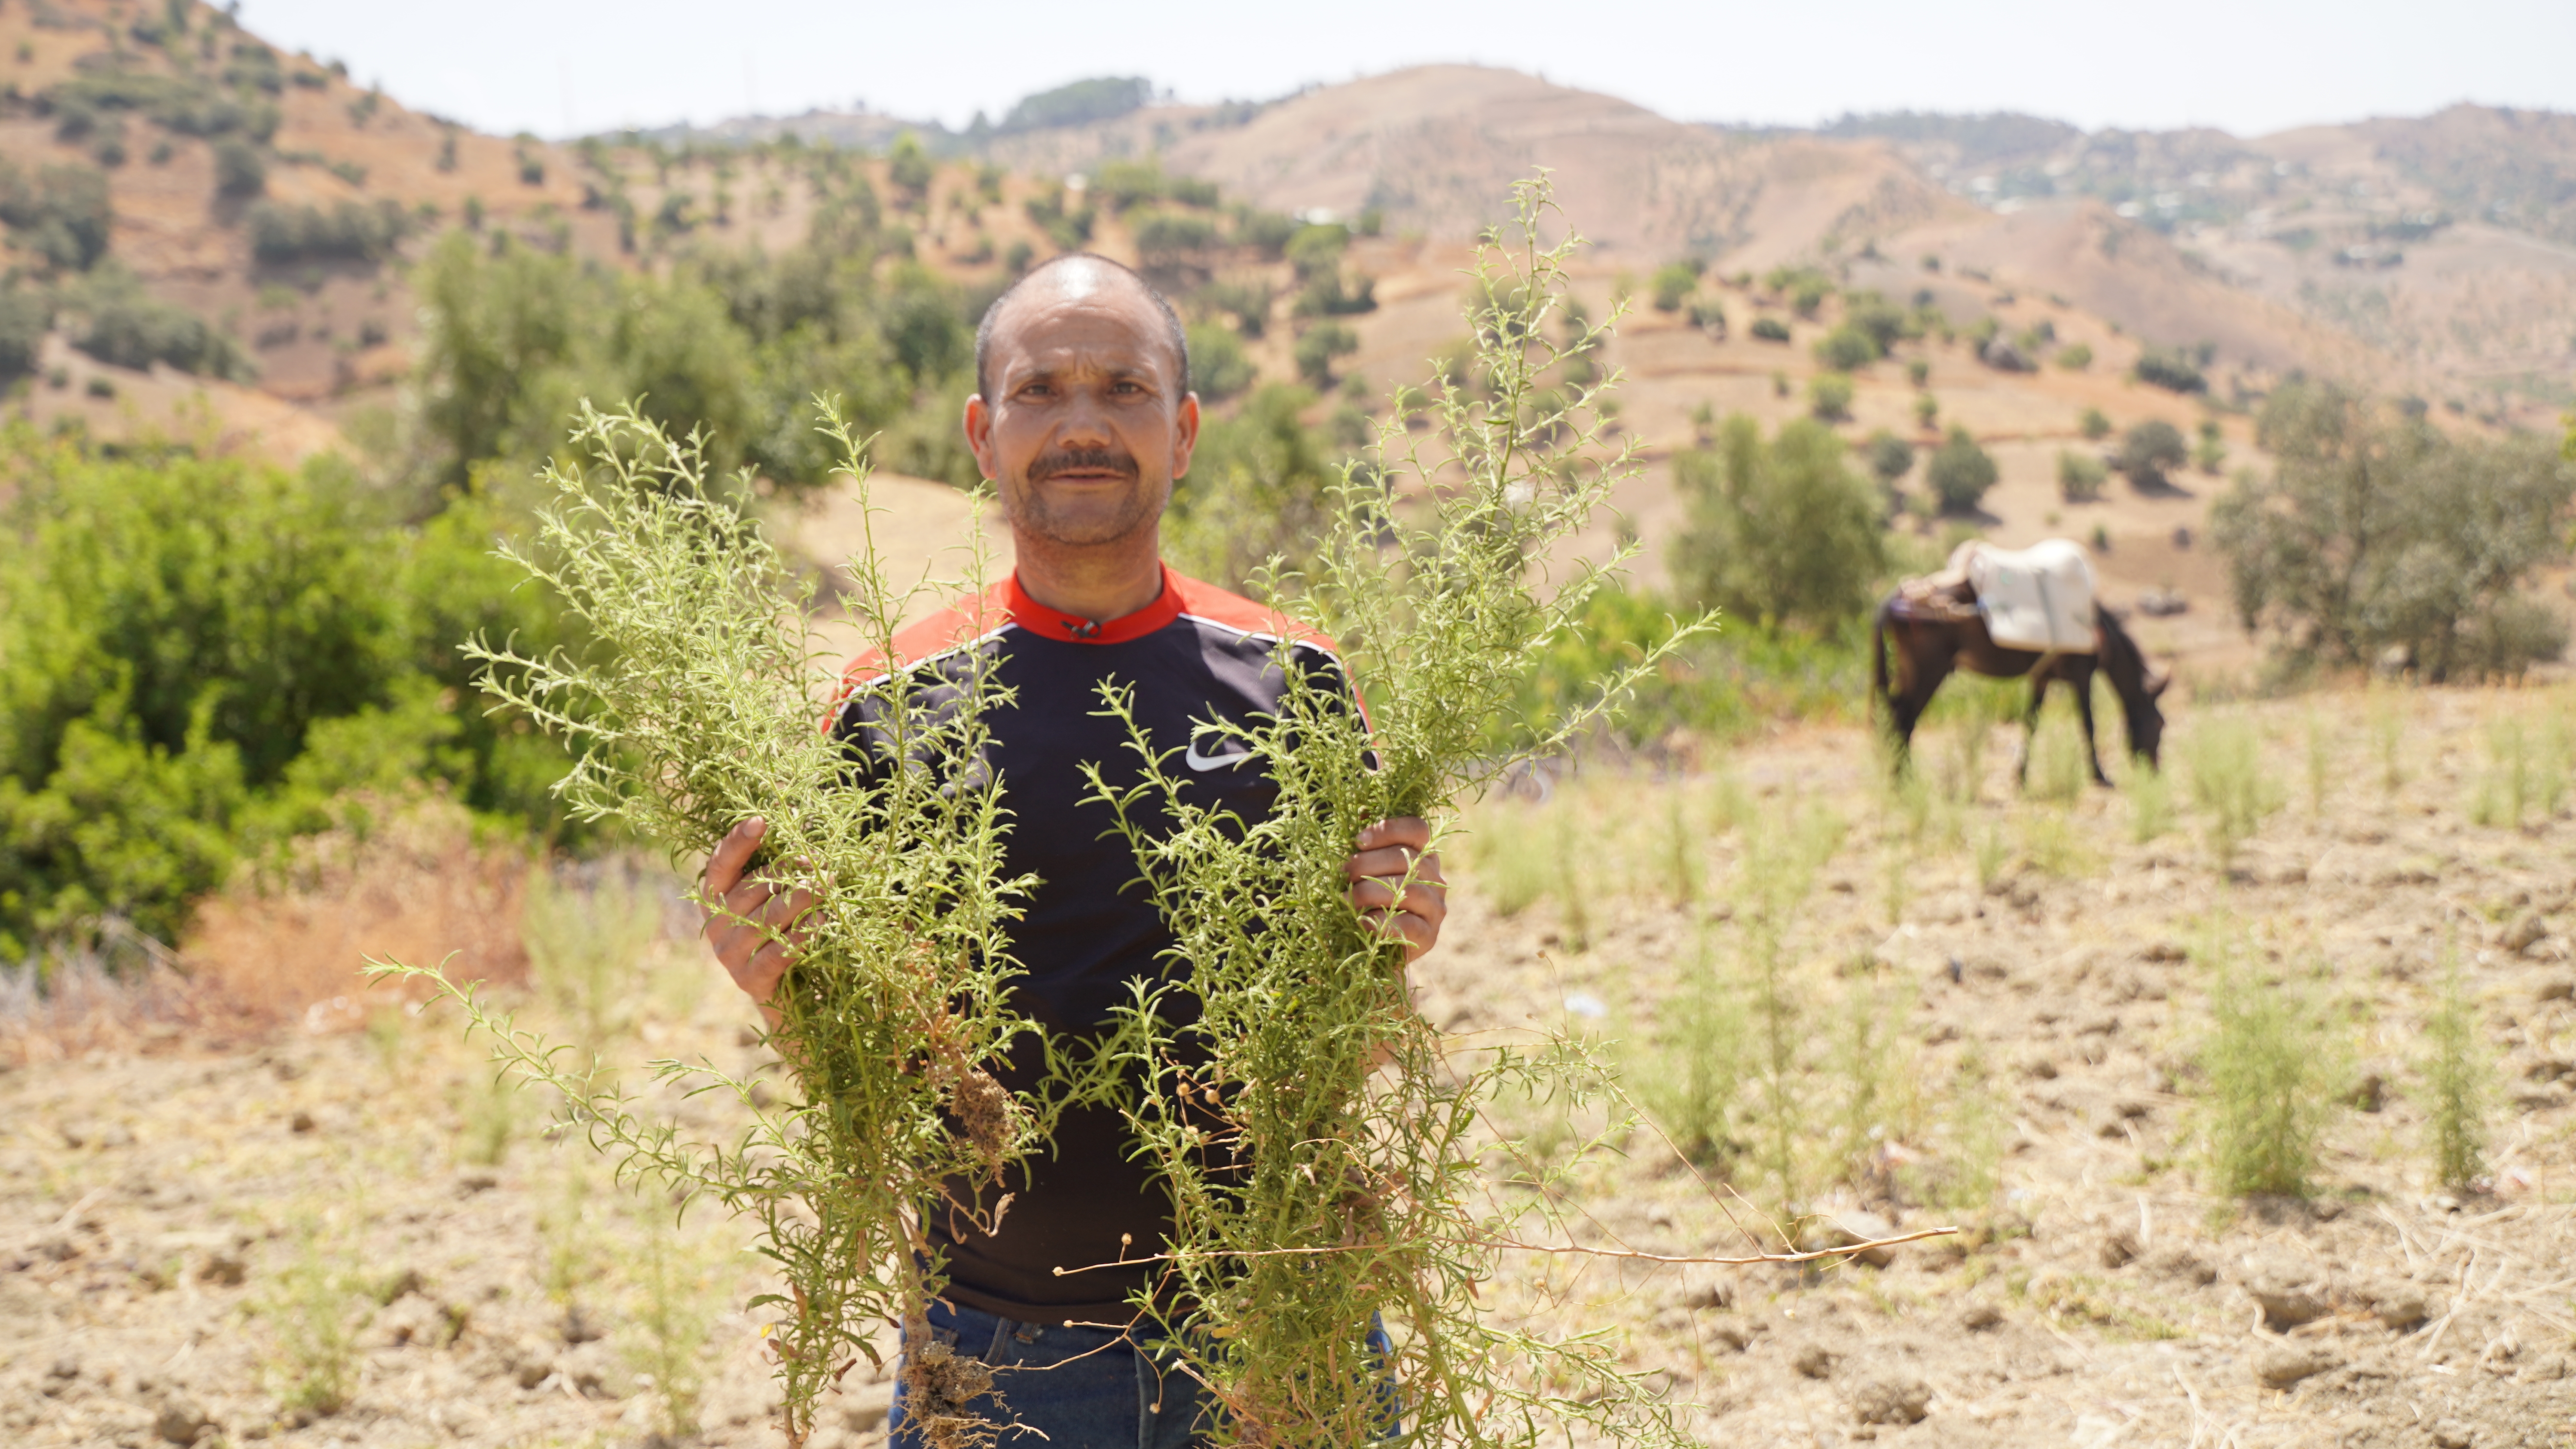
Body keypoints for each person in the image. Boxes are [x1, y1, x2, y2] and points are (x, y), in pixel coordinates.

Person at [700, 252, 1446, 1448]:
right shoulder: (881, 708)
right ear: (982, 433)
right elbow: (851, 1068)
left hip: (1279, 1320)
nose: (1083, 423)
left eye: (1124, 387)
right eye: (1041, 390)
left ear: (1184, 429)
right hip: (998, 1360)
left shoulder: (1300, 683)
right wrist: (771, 976)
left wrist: (1395, 933)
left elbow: (1348, 1027)